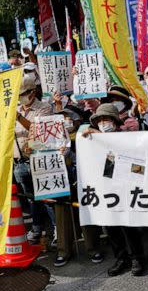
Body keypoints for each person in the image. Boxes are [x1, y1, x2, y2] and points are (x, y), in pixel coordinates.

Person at [84, 103, 147, 277]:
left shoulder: (127, 138)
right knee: (110, 225)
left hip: (125, 188)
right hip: (104, 189)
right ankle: (121, 258)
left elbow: (138, 167)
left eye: (107, 119)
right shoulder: (92, 140)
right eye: (100, 120)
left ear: (115, 121)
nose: (104, 123)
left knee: (129, 226)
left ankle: (137, 258)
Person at [53, 105, 103, 267]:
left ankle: (93, 248)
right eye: (61, 118)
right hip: (59, 181)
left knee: (86, 213)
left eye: (68, 117)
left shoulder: (84, 132)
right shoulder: (52, 136)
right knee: (62, 216)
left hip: (82, 180)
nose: (64, 121)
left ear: (77, 119)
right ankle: (63, 251)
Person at [14, 75, 55, 242]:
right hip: (20, 161)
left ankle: (56, 230)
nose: (20, 98)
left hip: (39, 159)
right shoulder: (17, 107)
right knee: (31, 199)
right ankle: (37, 228)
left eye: (23, 94)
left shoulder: (44, 108)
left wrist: (17, 117)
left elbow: (38, 130)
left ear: (32, 92)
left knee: (47, 198)